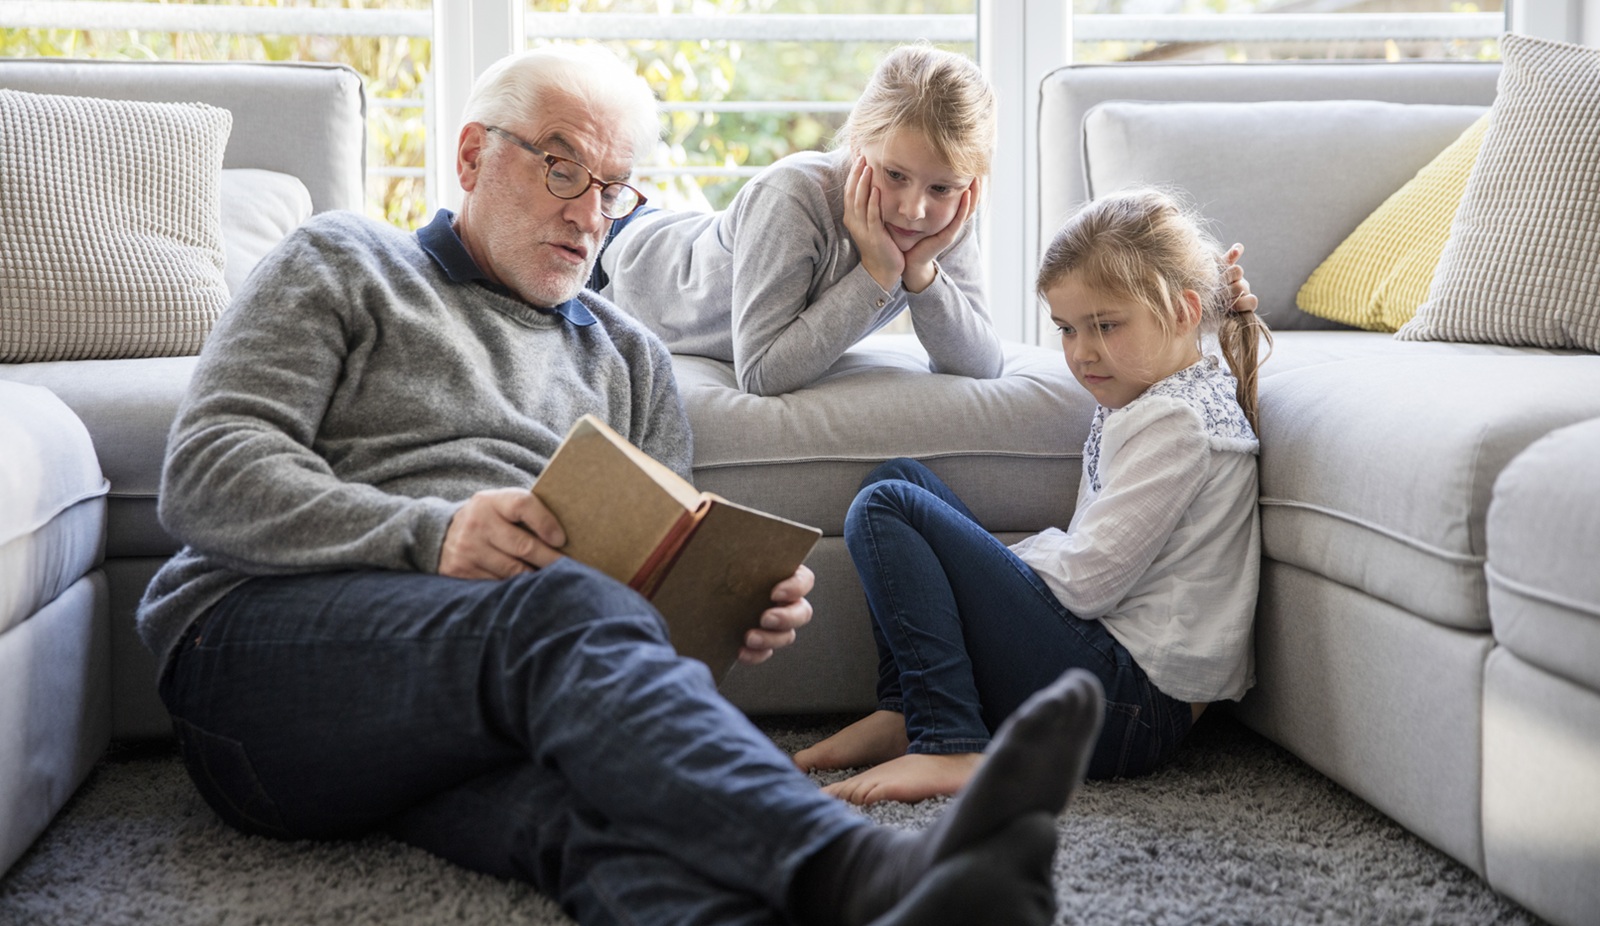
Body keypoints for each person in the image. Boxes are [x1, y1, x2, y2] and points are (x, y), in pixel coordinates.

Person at [139, 43, 1108, 926]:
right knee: (553, 607)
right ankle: (867, 868)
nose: (587, 211)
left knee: (600, 815)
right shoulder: (346, 262)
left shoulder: (631, 362)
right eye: (561, 166)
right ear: (472, 156)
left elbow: (633, 643)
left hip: (473, 713)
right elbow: (207, 474)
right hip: (260, 669)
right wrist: (429, 535)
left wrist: (727, 610)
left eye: (610, 187)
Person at [795, 187, 1272, 806]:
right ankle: (908, 710)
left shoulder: (1179, 423)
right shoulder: (1149, 395)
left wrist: (986, 566)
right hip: (1108, 685)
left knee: (890, 507)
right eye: (1068, 329)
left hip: (1127, 712)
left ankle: (949, 741)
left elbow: (1089, 581)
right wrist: (976, 566)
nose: (1082, 352)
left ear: (1183, 311)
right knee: (898, 478)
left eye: (1105, 326)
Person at [591, 43, 1005, 396]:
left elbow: (982, 364)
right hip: (613, 254)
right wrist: (877, 274)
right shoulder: (792, 196)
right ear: (858, 143)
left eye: (941, 188)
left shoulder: (945, 217)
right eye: (895, 175)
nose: (913, 210)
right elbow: (761, 374)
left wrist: (922, 273)